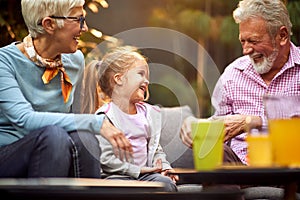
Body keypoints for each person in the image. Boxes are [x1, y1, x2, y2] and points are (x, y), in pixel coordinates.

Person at [0, 0, 132, 178]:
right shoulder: (4, 62)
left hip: (55, 153)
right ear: (49, 24)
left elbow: (74, 118)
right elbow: (24, 119)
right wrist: (96, 123)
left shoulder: (74, 60)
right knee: (54, 136)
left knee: (83, 136)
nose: (84, 28)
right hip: (8, 156)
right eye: (79, 20)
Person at [180, 0, 299, 164]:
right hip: (241, 168)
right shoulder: (232, 74)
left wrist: (252, 122)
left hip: (291, 164)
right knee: (210, 154)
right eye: (243, 41)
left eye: (254, 41)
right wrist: (193, 125)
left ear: (282, 35)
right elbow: (219, 126)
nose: (246, 50)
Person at [82, 46, 178, 192]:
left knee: (166, 184)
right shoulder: (105, 116)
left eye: (147, 77)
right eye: (140, 74)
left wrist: (165, 167)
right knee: (119, 188)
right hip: (117, 175)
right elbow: (106, 160)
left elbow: (156, 150)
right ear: (119, 79)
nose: (146, 81)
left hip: (146, 176)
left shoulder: (148, 114)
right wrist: (138, 170)